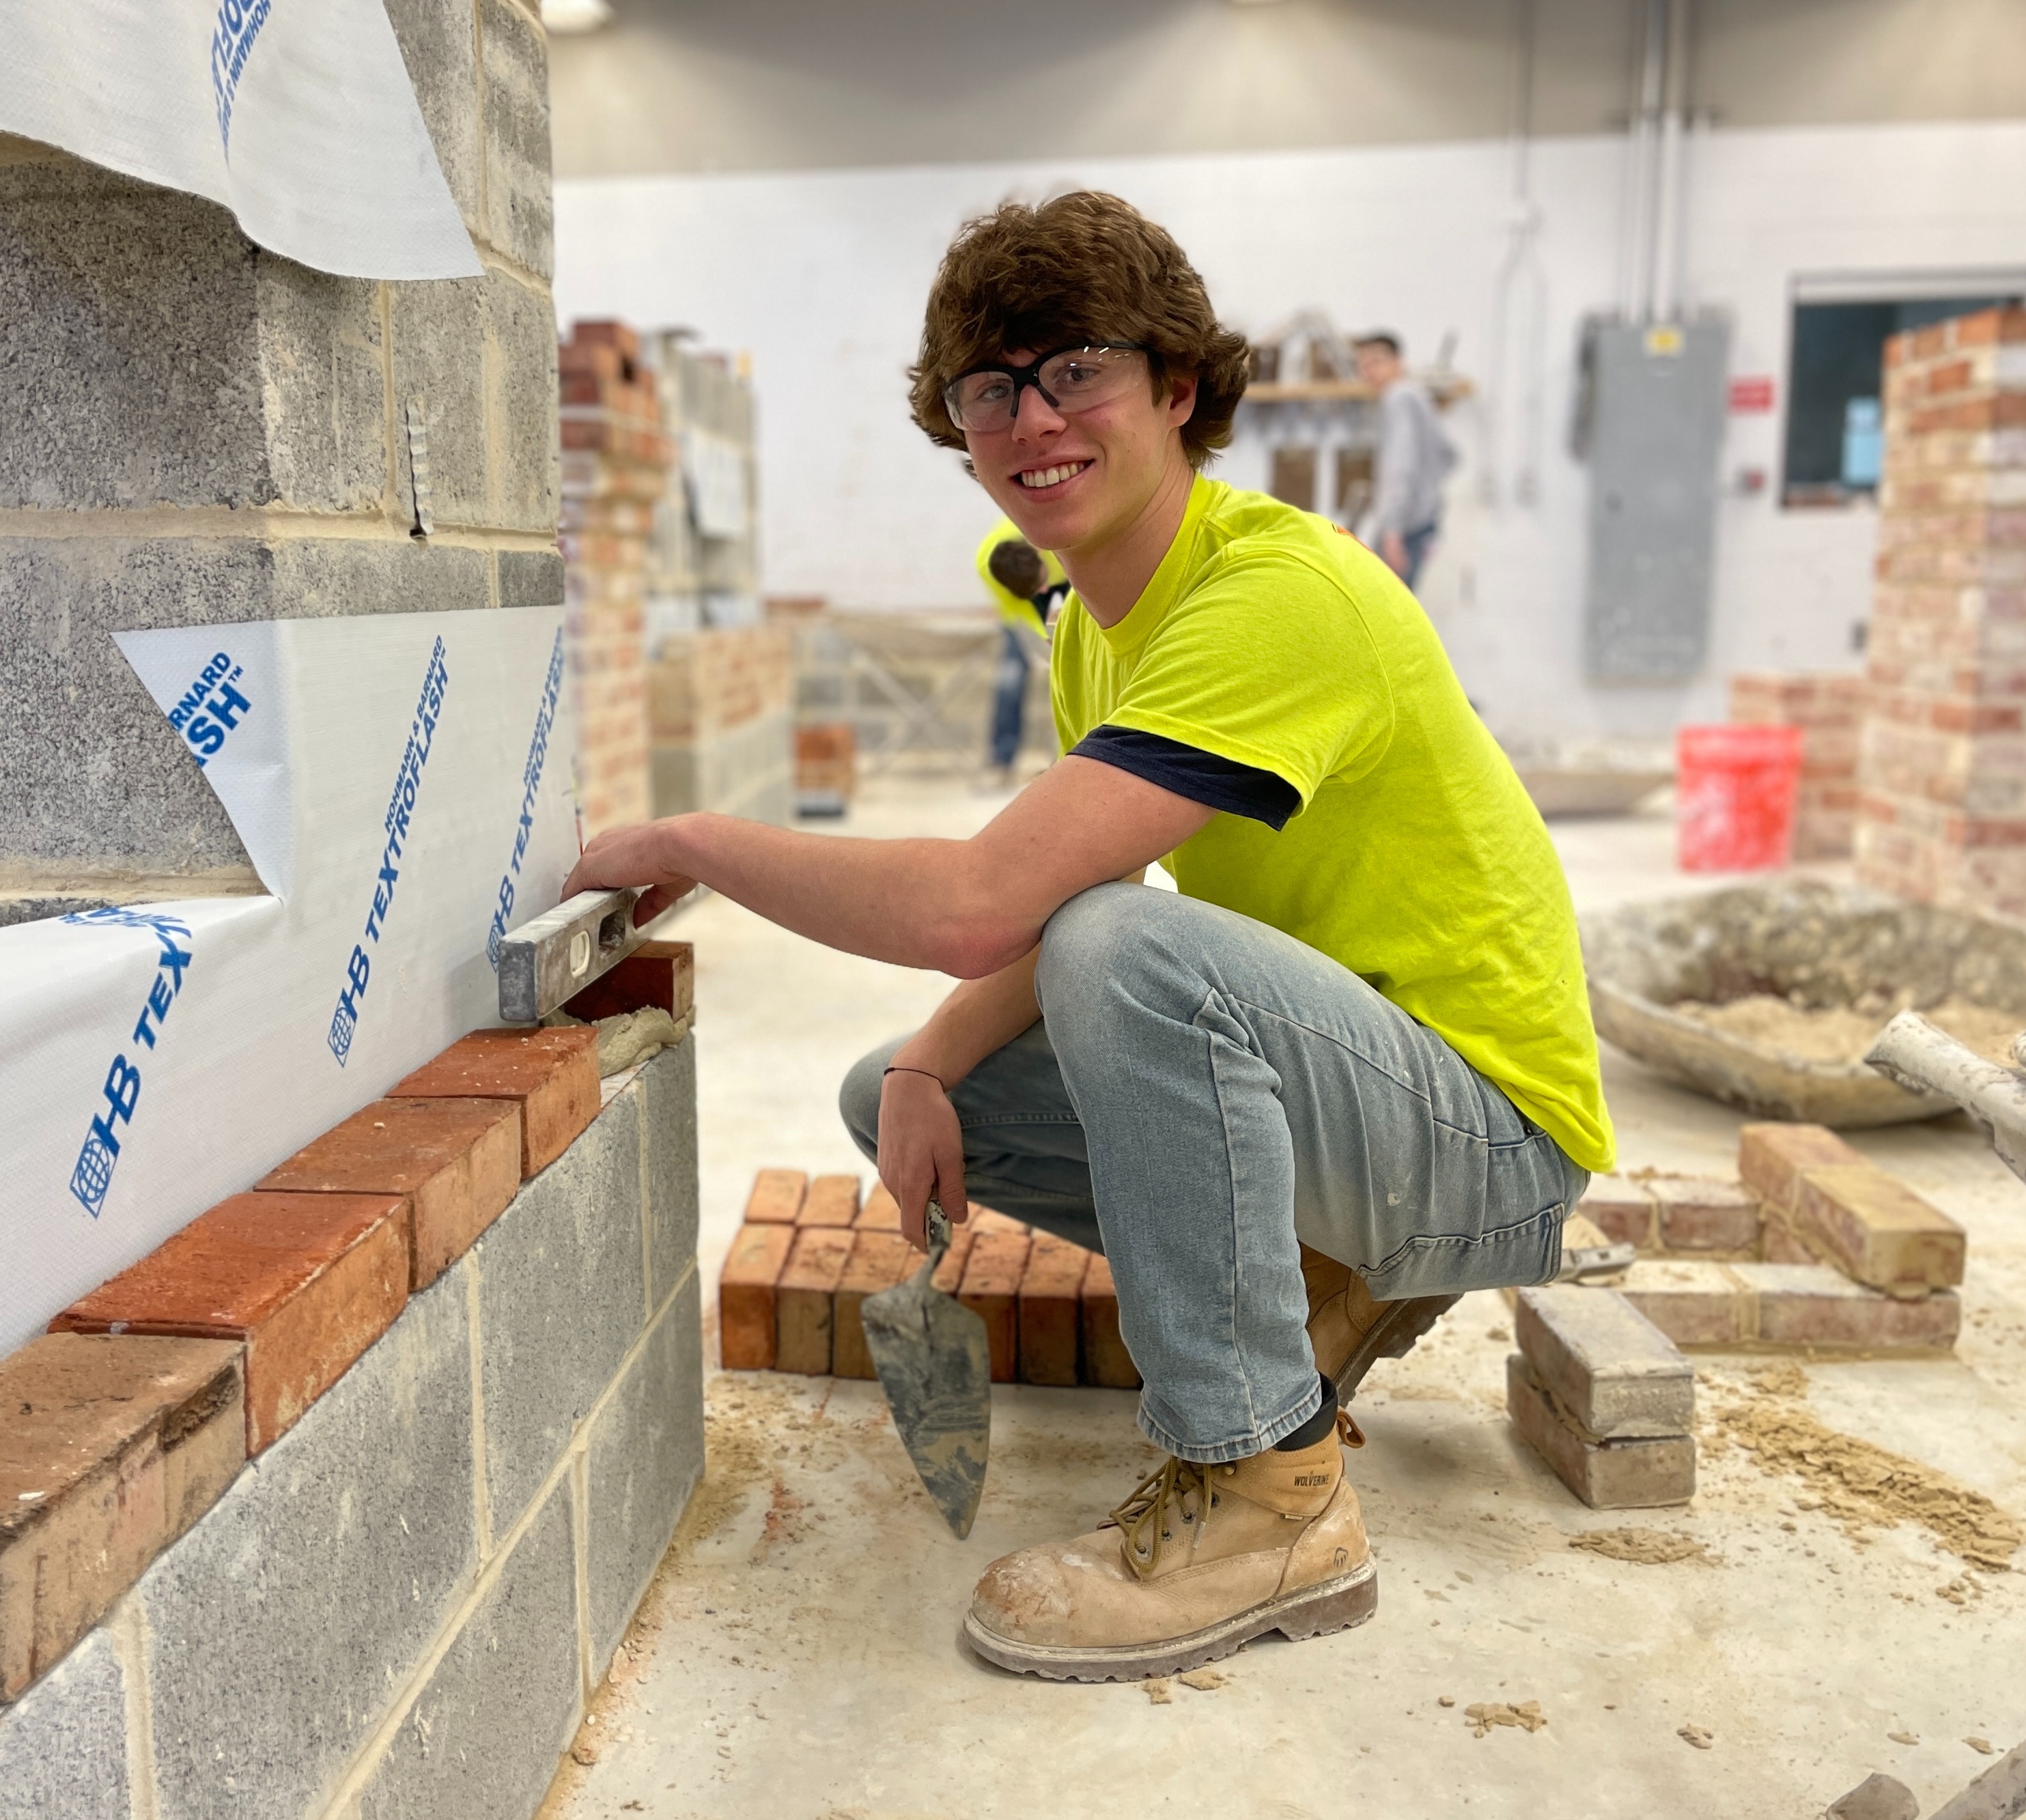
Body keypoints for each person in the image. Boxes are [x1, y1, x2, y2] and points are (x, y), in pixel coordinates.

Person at [560, 191, 1610, 1683]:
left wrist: (689, 841)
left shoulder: (1278, 594)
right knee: (903, 1085)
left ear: (1179, 390)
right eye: (991, 388)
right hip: (1375, 1105)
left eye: (1077, 373)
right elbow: (1029, 911)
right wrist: (927, 1068)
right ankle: (1327, 1272)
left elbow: (988, 903)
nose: (1030, 419)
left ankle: (1269, 1498)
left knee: (1122, 949)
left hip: (1488, 1134)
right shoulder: (1093, 623)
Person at [1352, 332, 1457, 590]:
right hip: (1422, 521)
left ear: (1399, 361)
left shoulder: (1398, 398)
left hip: (1405, 528)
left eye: (1376, 362)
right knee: (1397, 612)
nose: (1368, 371)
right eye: (1363, 364)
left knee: (1383, 617)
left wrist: (1393, 529)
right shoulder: (1416, 396)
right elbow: (1449, 456)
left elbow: (1400, 465)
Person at [976, 521, 1065, 784]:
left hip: (1065, 583)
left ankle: (1064, 758)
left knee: (1068, 678)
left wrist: (1064, 638)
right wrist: (1046, 638)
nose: (1042, 591)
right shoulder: (988, 568)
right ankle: (1001, 761)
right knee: (1010, 681)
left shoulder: (1051, 536)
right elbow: (1018, 614)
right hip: (1020, 612)